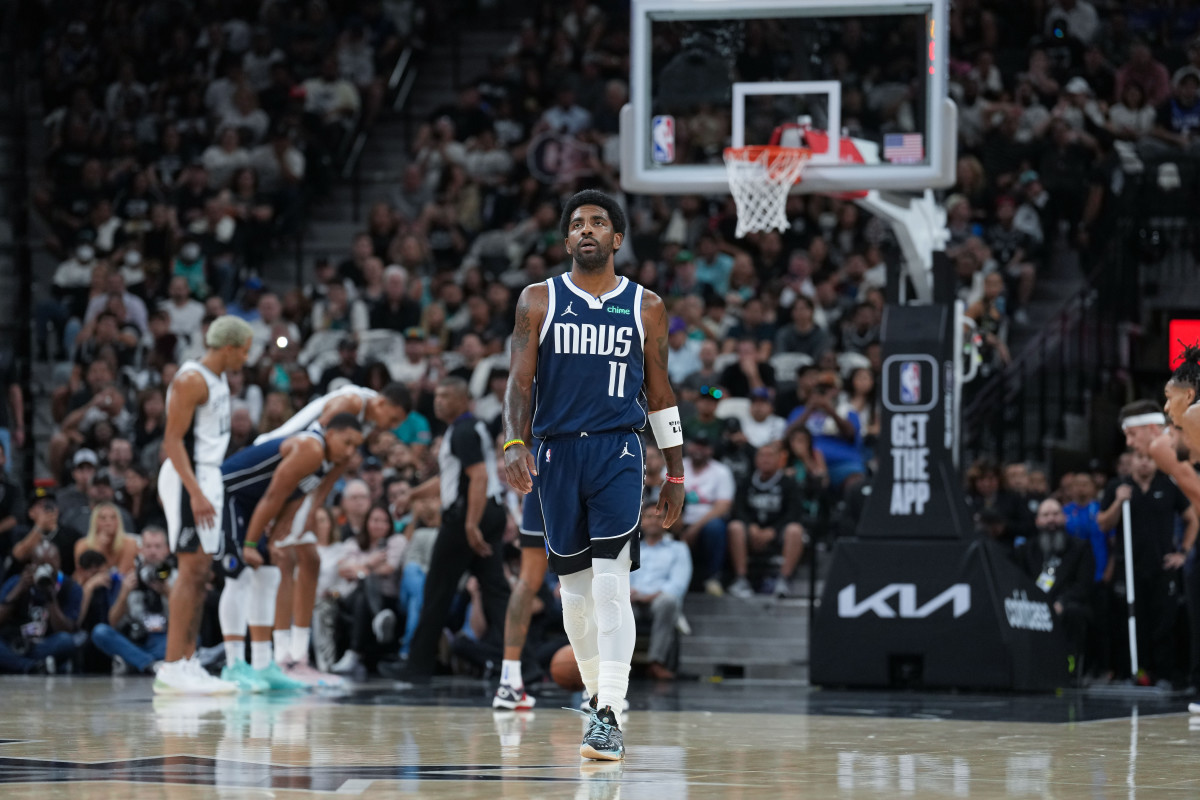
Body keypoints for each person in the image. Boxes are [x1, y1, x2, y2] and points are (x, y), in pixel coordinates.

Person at [501, 190, 685, 761]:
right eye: (577, 224)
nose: (587, 230)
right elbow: (519, 382)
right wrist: (513, 441)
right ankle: (595, 696)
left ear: (617, 239)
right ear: (566, 241)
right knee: (574, 596)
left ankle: (611, 710)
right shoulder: (539, 299)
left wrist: (675, 471)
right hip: (556, 454)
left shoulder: (645, 305)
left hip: (618, 452)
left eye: (598, 222)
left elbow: (659, 390)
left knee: (610, 583)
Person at [250, 382, 410, 685]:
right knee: (286, 560)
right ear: (386, 404)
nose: (390, 427)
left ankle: (298, 655)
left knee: (309, 561)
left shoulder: (361, 425)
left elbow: (334, 468)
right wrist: (291, 509)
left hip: (301, 483)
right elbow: (311, 448)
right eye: (394, 420)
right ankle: (282, 658)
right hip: (276, 465)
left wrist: (313, 509)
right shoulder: (351, 401)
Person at [216, 413, 365, 692]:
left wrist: (275, 538)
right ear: (329, 433)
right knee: (239, 576)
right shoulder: (311, 448)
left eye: (355, 447)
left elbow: (293, 500)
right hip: (228, 494)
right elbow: (273, 495)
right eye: (346, 442)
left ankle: (262, 666)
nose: (349, 452)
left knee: (270, 574)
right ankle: (233, 665)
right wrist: (249, 545)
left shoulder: (326, 462)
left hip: (251, 503)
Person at [381, 378, 510, 681]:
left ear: (464, 400)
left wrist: (469, 524)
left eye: (446, 396)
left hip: (468, 514)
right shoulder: (466, 428)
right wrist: (412, 495)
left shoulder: (464, 430)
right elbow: (451, 480)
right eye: (436, 396)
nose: (438, 401)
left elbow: (477, 478)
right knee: (496, 592)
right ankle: (525, 664)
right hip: (488, 511)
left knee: (436, 590)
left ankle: (417, 667)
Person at [155, 315, 252, 695]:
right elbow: (173, 440)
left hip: (207, 476)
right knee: (189, 570)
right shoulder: (191, 379)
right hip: (188, 478)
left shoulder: (217, 377)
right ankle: (172, 666)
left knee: (200, 574)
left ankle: (188, 661)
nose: (246, 358)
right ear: (228, 347)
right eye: (244, 351)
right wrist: (194, 491)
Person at [1016, 499, 1095, 672]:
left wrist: (1062, 602)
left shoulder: (1080, 547)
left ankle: (1069, 666)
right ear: (1037, 521)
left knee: (1075, 612)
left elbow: (1083, 584)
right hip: (1035, 604)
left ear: (1064, 518)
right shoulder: (1026, 550)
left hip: (1067, 603)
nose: (1051, 519)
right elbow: (1020, 582)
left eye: (1055, 514)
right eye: (1046, 515)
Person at [491, 477, 547, 710]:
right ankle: (595, 693)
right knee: (594, 578)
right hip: (589, 465)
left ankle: (509, 682)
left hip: (542, 471)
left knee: (525, 582)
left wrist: (511, 447)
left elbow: (513, 442)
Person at [727, 441, 806, 599]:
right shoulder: (746, 481)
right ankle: (741, 580)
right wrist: (751, 527)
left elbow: (794, 513)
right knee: (734, 527)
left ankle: (783, 580)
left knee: (795, 530)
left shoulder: (788, 483)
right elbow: (739, 509)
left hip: (777, 532)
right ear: (756, 459)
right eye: (762, 455)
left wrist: (773, 530)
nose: (765, 459)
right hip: (752, 531)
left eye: (770, 456)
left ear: (779, 460)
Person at [90, 526, 172, 674]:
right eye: (148, 546)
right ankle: (150, 664)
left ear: (167, 550)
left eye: (158, 546)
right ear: (140, 550)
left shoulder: (177, 579)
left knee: (192, 639)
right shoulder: (129, 577)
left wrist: (168, 593)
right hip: (135, 639)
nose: (153, 551)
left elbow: (189, 622)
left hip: (163, 639)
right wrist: (124, 593)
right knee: (100, 632)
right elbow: (113, 622)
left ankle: (135, 662)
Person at [629, 501, 692, 680]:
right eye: (649, 517)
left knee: (668, 601)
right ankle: (618, 663)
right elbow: (623, 577)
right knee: (616, 604)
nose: (653, 522)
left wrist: (650, 596)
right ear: (641, 520)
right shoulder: (633, 547)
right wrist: (631, 593)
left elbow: (677, 585)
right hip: (633, 600)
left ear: (667, 521)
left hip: (658, 601)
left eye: (659, 517)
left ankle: (656, 662)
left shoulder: (678, 549)